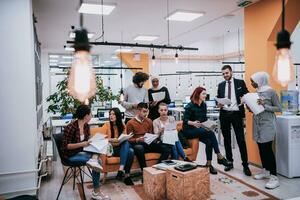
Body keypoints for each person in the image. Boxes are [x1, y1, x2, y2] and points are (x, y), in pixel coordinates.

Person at [61, 104, 110, 200]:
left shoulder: (86, 126)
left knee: (98, 149)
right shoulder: (71, 127)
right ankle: (96, 192)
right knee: (98, 162)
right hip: (70, 155)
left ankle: (94, 160)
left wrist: (93, 140)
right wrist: (83, 144)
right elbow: (66, 146)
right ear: (86, 116)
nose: (91, 116)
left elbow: (87, 141)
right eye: (90, 114)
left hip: (82, 151)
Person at [182, 87, 231, 174]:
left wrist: (210, 124)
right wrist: (193, 123)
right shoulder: (190, 106)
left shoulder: (204, 105)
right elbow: (185, 121)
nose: (205, 95)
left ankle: (209, 164)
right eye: (203, 94)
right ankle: (219, 156)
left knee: (209, 142)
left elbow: (204, 119)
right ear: (198, 94)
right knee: (210, 133)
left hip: (199, 130)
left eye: (205, 94)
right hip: (189, 131)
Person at [217, 65, 252, 176]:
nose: (225, 75)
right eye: (223, 74)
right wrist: (219, 104)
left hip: (237, 114)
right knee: (226, 140)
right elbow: (218, 97)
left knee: (241, 140)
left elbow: (247, 94)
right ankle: (230, 162)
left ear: (231, 72)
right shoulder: (221, 85)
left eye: (226, 73)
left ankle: (245, 165)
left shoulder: (240, 83)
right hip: (224, 114)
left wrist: (244, 99)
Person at [250, 72, 281, 189]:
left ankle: (274, 177)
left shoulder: (271, 91)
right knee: (261, 149)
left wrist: (265, 105)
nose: (252, 83)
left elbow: (278, 108)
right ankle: (265, 171)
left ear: (261, 80)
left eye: (253, 81)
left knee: (267, 150)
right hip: (257, 124)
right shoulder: (257, 92)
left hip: (267, 125)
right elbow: (257, 107)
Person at [126, 102, 172, 170]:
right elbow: (128, 139)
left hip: (148, 143)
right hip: (138, 144)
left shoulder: (149, 121)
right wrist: (137, 139)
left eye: (147, 112)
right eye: (144, 112)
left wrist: (154, 138)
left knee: (166, 149)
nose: (146, 114)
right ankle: (144, 170)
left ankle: (156, 168)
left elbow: (151, 134)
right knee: (139, 148)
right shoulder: (130, 123)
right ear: (138, 111)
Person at [95, 107, 134, 185]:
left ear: (118, 115)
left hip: (121, 148)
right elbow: (102, 139)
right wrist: (114, 140)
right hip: (112, 150)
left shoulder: (122, 125)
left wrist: (120, 140)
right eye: (110, 114)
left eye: (113, 114)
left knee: (130, 150)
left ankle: (124, 173)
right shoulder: (106, 125)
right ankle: (126, 175)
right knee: (129, 150)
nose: (111, 116)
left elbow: (124, 137)